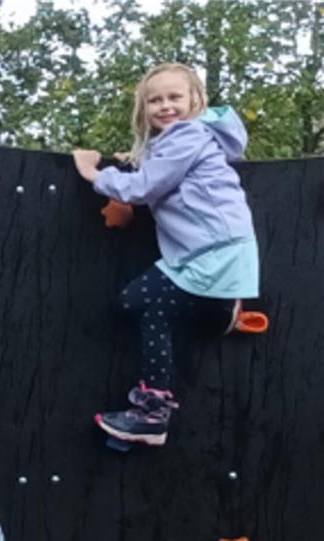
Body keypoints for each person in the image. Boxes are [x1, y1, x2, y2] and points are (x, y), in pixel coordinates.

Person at [72, 63, 259, 447]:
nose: (165, 106)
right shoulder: (186, 140)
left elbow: (143, 188)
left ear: (195, 101)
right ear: (144, 109)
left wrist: (93, 174)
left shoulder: (187, 135)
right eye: (155, 100)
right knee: (133, 303)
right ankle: (219, 313)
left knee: (145, 305)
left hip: (213, 252)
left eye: (175, 97)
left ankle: (153, 414)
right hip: (207, 251)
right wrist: (141, 158)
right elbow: (164, 171)